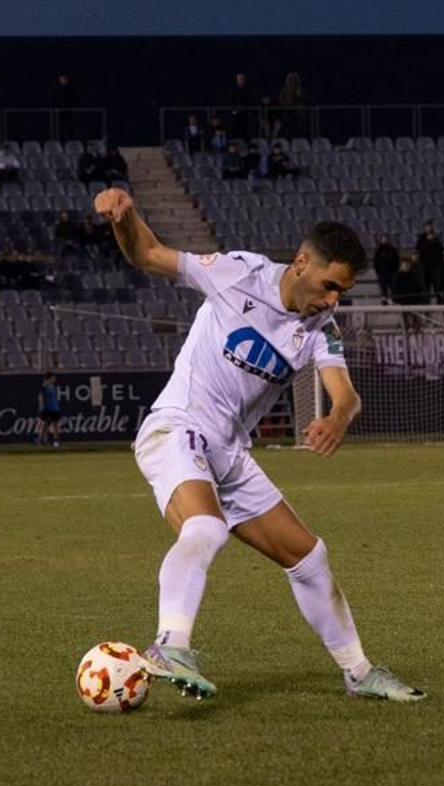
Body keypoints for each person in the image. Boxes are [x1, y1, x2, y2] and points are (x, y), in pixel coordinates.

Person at [92, 189, 424, 702]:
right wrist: (125, 217)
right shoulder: (236, 274)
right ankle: (169, 644)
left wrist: (337, 418)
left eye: (342, 292)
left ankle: (359, 673)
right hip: (176, 428)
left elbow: (345, 394)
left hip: (228, 454)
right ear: (302, 263)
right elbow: (148, 253)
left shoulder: (320, 328)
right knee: (206, 527)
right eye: (330, 286)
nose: (333, 300)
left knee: (309, 557)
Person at [415, 221, 444, 297]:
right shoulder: (421, 238)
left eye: (430, 227)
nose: (429, 229)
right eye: (427, 227)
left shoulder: (437, 238)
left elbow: (441, 249)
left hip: (436, 266)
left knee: (437, 286)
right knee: (426, 287)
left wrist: (434, 241)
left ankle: (439, 302)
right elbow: (419, 249)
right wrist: (427, 241)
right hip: (425, 267)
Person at [36, 372, 63, 448]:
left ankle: (56, 440)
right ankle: (41, 440)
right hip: (47, 409)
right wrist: (41, 408)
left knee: (55, 425)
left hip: (54, 408)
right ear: (49, 378)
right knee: (44, 424)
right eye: (53, 378)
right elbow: (41, 397)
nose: (54, 379)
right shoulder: (44, 387)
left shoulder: (53, 386)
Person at [372, 236, 400, 302]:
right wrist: (378, 271)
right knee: (383, 289)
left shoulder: (393, 250)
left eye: (386, 239)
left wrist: (395, 270)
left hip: (392, 272)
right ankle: (384, 302)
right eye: (383, 239)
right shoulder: (379, 251)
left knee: (393, 288)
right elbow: (376, 262)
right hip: (382, 273)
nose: (385, 241)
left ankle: (394, 301)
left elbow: (396, 261)